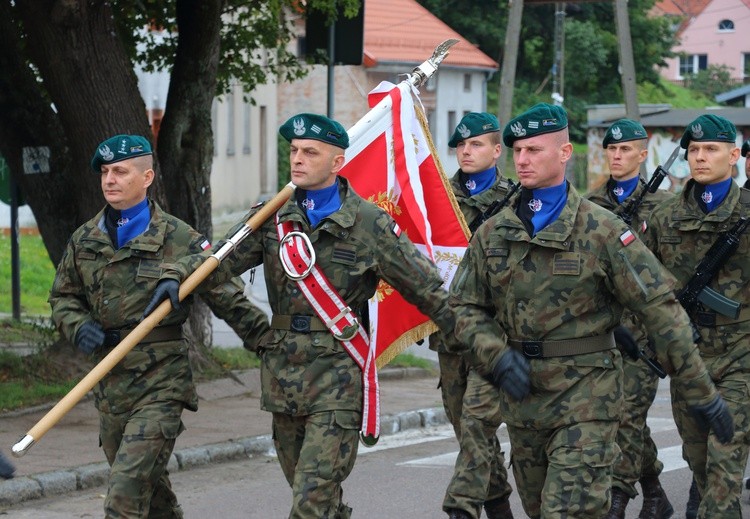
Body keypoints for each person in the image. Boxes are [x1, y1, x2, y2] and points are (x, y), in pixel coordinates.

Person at [143, 113, 459, 518]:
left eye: (310, 152)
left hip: (338, 379)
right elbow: (217, 260)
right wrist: (177, 275)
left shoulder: (369, 224)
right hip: (283, 379)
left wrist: (490, 351)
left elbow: (430, 292)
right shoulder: (271, 216)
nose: (298, 159)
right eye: (294, 150)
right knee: (314, 496)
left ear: (337, 162)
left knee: (309, 501)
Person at [448, 103, 733, 518]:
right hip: (524, 404)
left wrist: (701, 390)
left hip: (587, 398)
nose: (523, 160)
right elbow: (463, 306)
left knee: (568, 511)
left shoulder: (602, 229)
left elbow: (661, 311)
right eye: (518, 152)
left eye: (535, 150)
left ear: (564, 154)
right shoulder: (494, 233)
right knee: (537, 506)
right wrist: (495, 352)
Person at [49, 134, 270, 518]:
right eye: (105, 172)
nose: (109, 180)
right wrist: (77, 324)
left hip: (160, 381)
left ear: (147, 177)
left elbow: (226, 297)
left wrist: (271, 346)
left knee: (124, 494)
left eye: (120, 171)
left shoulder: (179, 238)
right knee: (150, 495)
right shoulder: (85, 238)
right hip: (111, 382)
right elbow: (63, 297)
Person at [642, 114, 750, 517]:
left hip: (741, 357)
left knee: (724, 471)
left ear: (734, 155)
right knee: (701, 463)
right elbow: (640, 281)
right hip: (688, 359)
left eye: (712, 149)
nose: (700, 157)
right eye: (694, 150)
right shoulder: (666, 216)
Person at [586, 119, 674, 518]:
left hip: (643, 333)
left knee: (626, 416)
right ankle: (655, 492)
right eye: (612, 150)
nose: (617, 156)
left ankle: (616, 503)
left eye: (626, 150)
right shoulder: (589, 206)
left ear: (643, 153)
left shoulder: (666, 206)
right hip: (602, 330)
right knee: (621, 418)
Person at [433, 112, 514, 519]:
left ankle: (463, 509)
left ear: (496, 150)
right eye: (461, 145)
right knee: (464, 427)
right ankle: (500, 507)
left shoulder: (517, 199)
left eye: (476, 144)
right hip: (449, 334)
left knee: (477, 426)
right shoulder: (437, 198)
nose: (466, 151)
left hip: (495, 336)